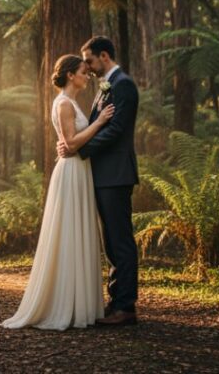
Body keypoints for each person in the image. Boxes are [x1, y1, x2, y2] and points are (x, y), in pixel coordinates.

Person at [1, 54, 113, 330]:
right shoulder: (63, 103)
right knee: (69, 232)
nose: (87, 76)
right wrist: (99, 124)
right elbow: (71, 144)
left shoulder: (72, 102)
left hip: (80, 171)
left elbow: (69, 142)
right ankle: (64, 304)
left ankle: (79, 303)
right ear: (70, 75)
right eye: (82, 72)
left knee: (78, 231)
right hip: (72, 171)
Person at [58, 36, 140, 326]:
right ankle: (116, 300)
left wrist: (79, 149)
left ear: (104, 56)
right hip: (103, 175)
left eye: (90, 61)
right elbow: (97, 127)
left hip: (116, 175)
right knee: (111, 242)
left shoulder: (124, 85)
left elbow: (116, 130)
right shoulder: (106, 87)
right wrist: (77, 146)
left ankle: (126, 306)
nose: (89, 69)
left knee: (120, 240)